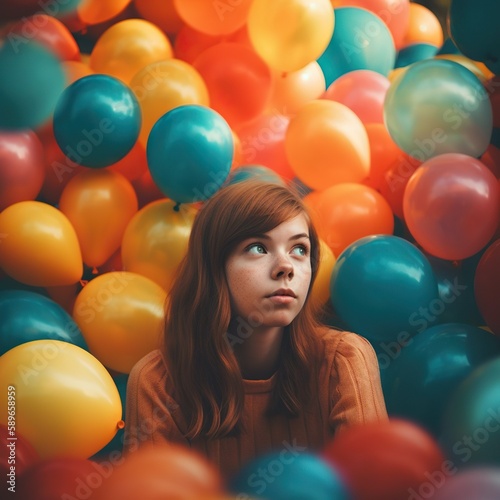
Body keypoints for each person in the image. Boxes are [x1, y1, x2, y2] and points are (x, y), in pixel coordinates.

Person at [123, 179, 388, 479]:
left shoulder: (344, 361)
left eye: (299, 249)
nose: (285, 267)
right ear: (214, 268)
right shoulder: (157, 384)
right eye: (258, 247)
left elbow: (375, 488)